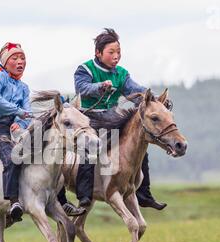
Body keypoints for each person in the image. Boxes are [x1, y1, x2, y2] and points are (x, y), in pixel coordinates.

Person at [59, 28, 168, 215]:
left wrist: (156, 101)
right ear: (98, 53)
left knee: (139, 143)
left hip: (112, 117)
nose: (116, 56)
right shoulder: (84, 69)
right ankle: (84, 194)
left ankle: (144, 194)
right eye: (111, 52)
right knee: (91, 147)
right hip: (89, 117)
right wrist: (99, 87)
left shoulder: (121, 74)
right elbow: (82, 88)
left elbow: (136, 91)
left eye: (118, 52)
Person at [0, 42, 32, 227]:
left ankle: (59, 199)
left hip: (16, 127)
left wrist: (20, 123)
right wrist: (17, 112)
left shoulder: (24, 88)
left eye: (23, 58)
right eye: (15, 58)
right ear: (5, 62)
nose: (20, 62)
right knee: (12, 159)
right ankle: (13, 203)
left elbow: (27, 111)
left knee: (40, 156)